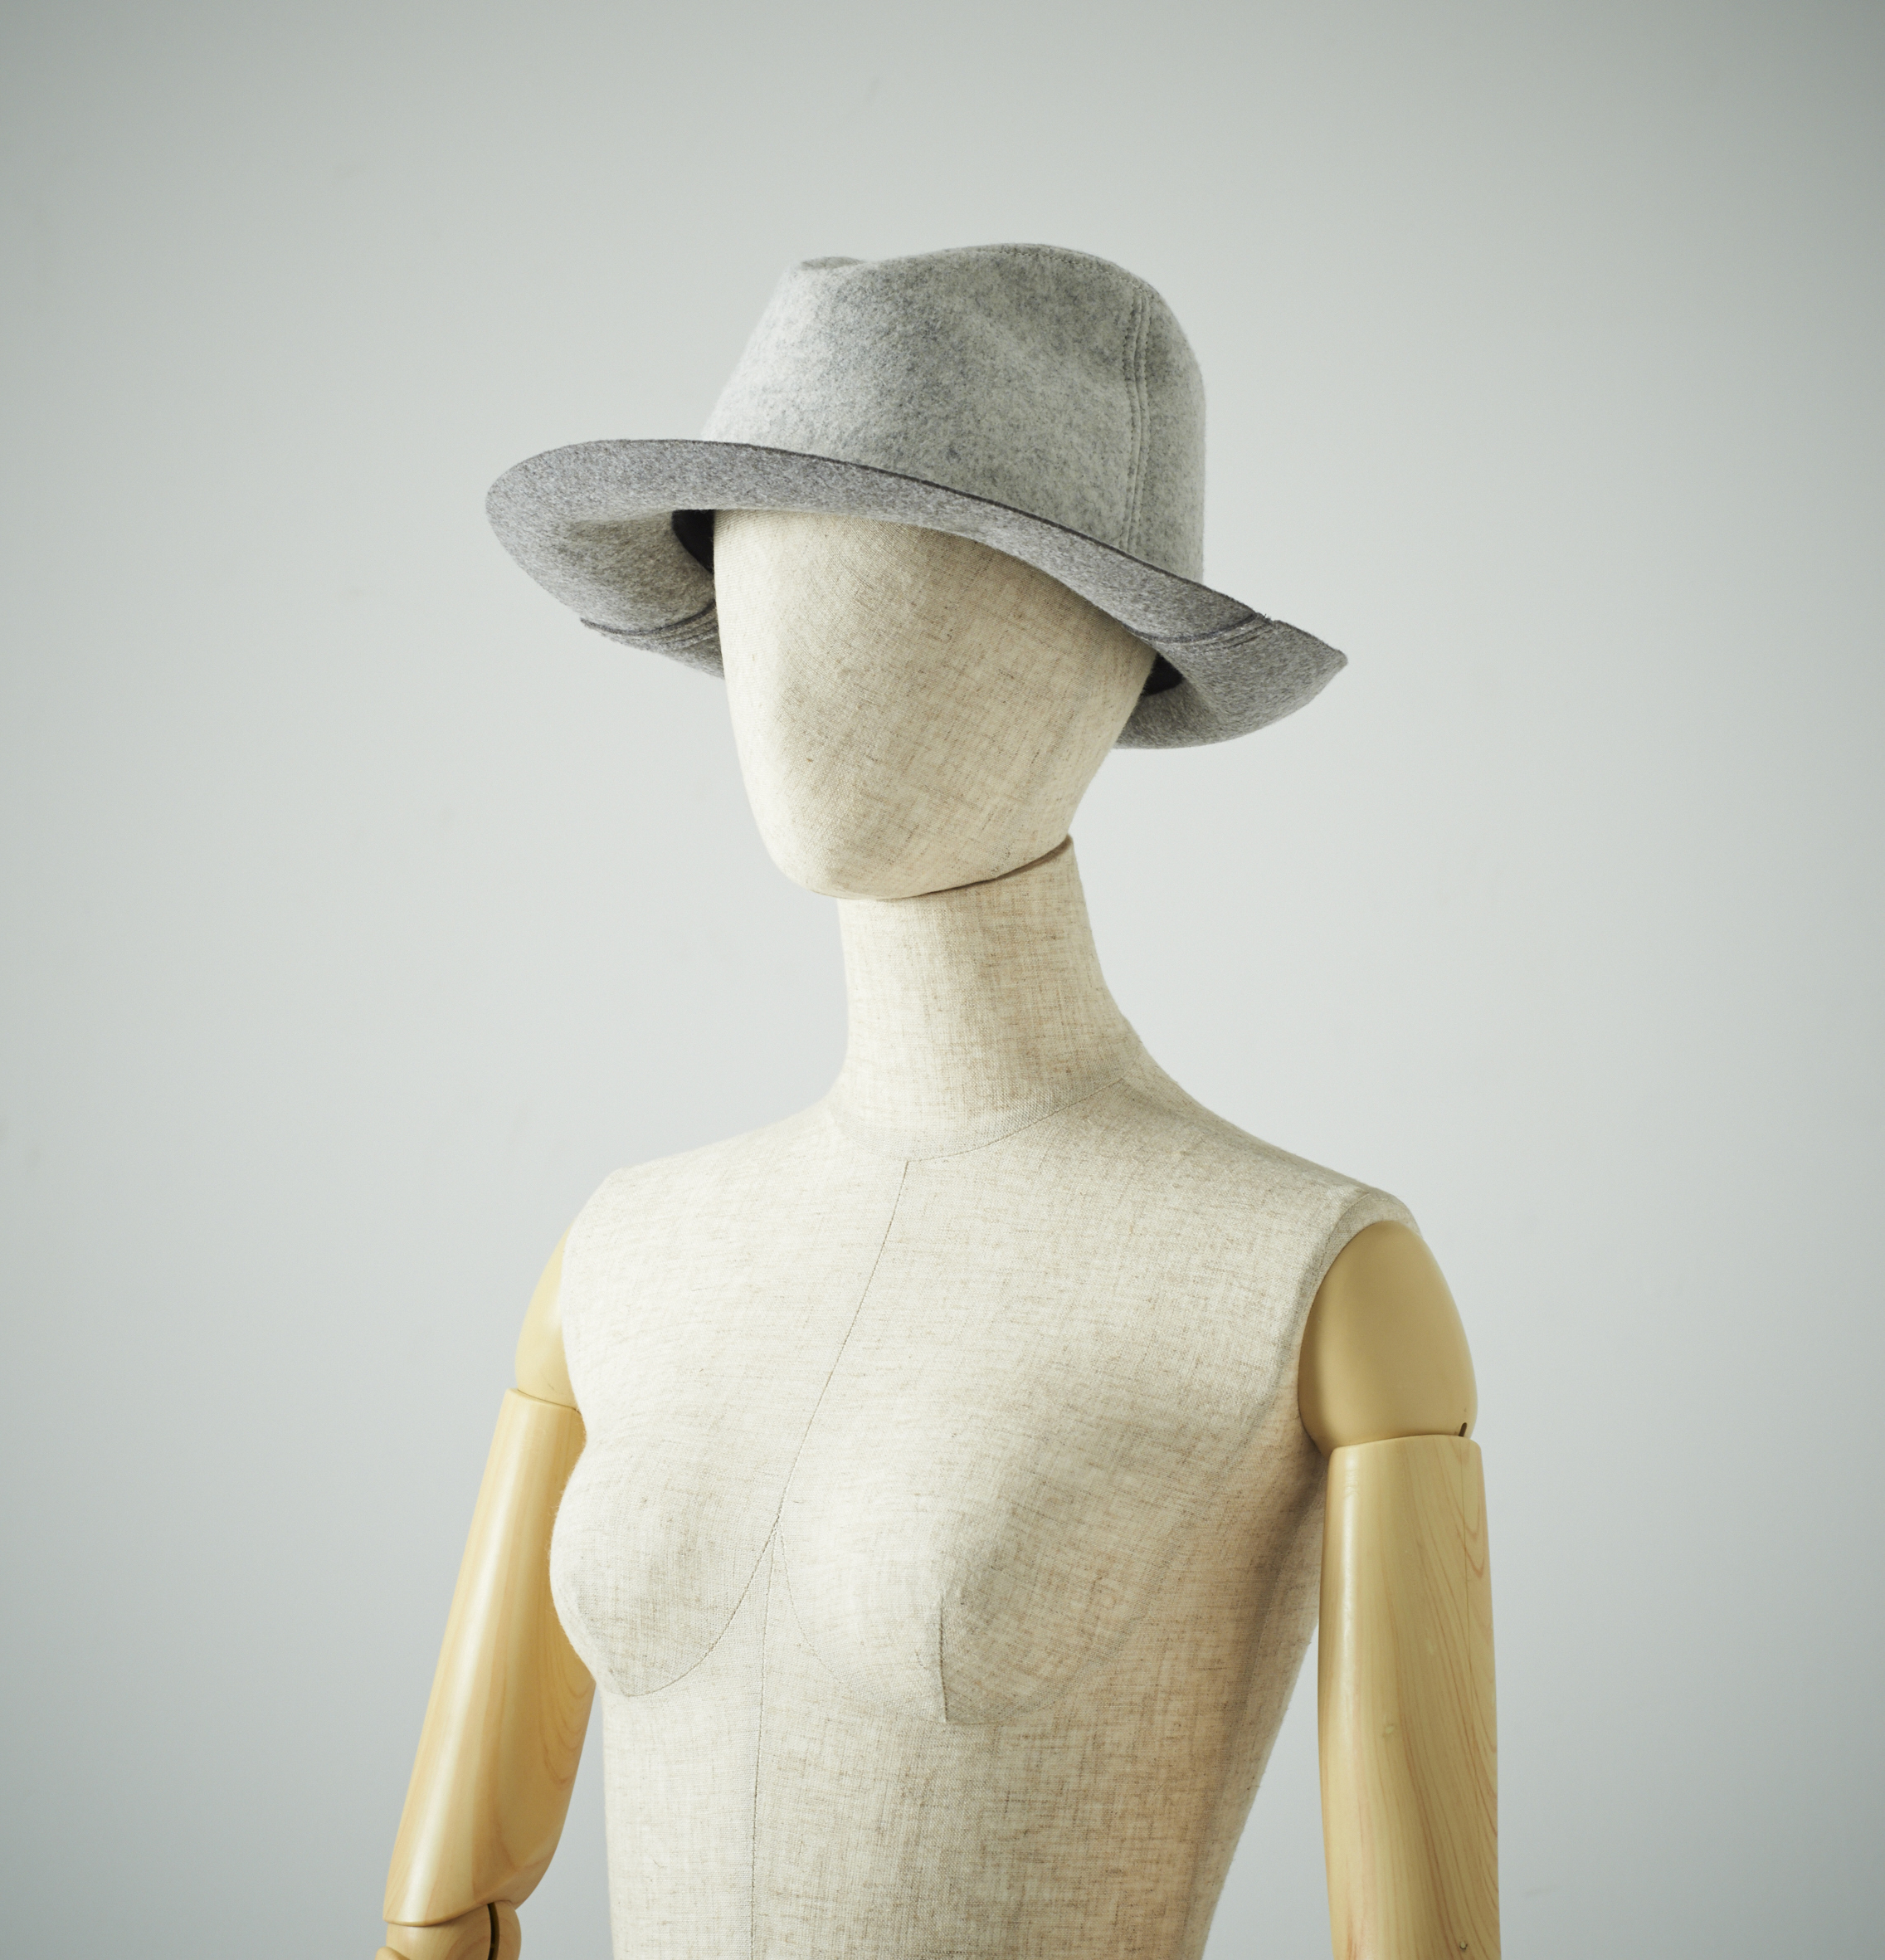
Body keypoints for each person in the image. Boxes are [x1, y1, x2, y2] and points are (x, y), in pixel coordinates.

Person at [377, 245, 1496, 1960]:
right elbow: (442, 1907)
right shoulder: (624, 1252)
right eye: (757, 587)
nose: (794, 681)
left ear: (1102, 657)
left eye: (898, 590)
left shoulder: (1302, 1279)